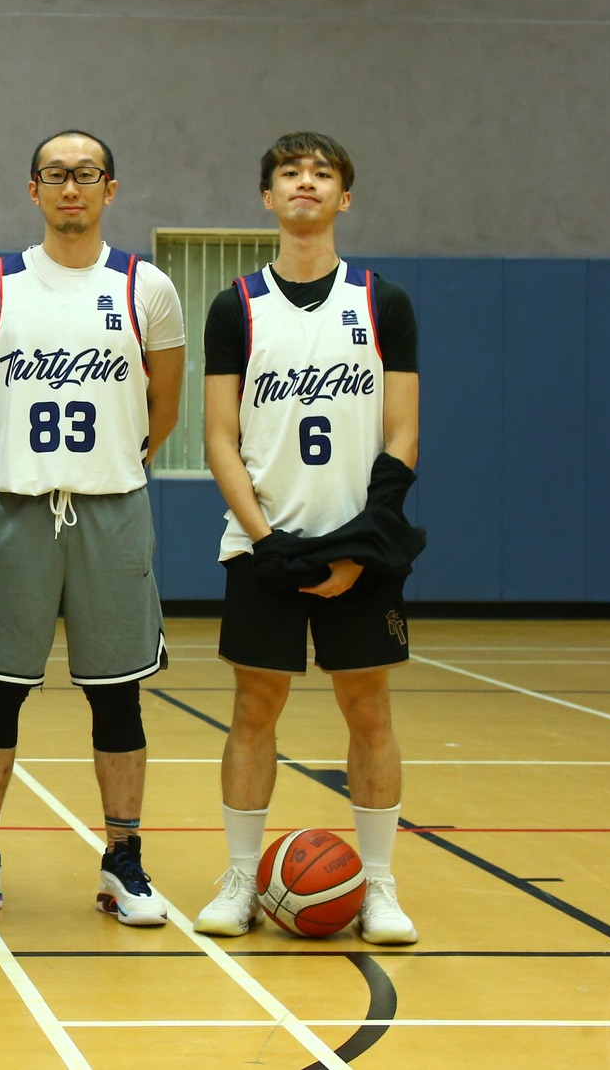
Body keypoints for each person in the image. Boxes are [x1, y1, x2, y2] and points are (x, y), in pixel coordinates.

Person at [0, 130, 183, 928]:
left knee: (117, 696)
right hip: (14, 504)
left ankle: (123, 859)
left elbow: (165, 406)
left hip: (111, 506)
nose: (70, 186)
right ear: (33, 188)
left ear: (110, 187)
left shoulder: (147, 287)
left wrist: (118, 462)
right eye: (55, 174)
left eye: (86, 174)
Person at [194, 131, 422, 945]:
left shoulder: (383, 302)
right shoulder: (236, 306)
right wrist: (268, 541)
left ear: (344, 197)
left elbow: (402, 433)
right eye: (290, 172)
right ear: (268, 196)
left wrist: (362, 543)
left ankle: (380, 885)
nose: (305, 182)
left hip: (360, 546)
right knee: (253, 708)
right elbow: (220, 437)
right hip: (263, 545)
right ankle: (240, 878)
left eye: (322, 173)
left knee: (370, 709)